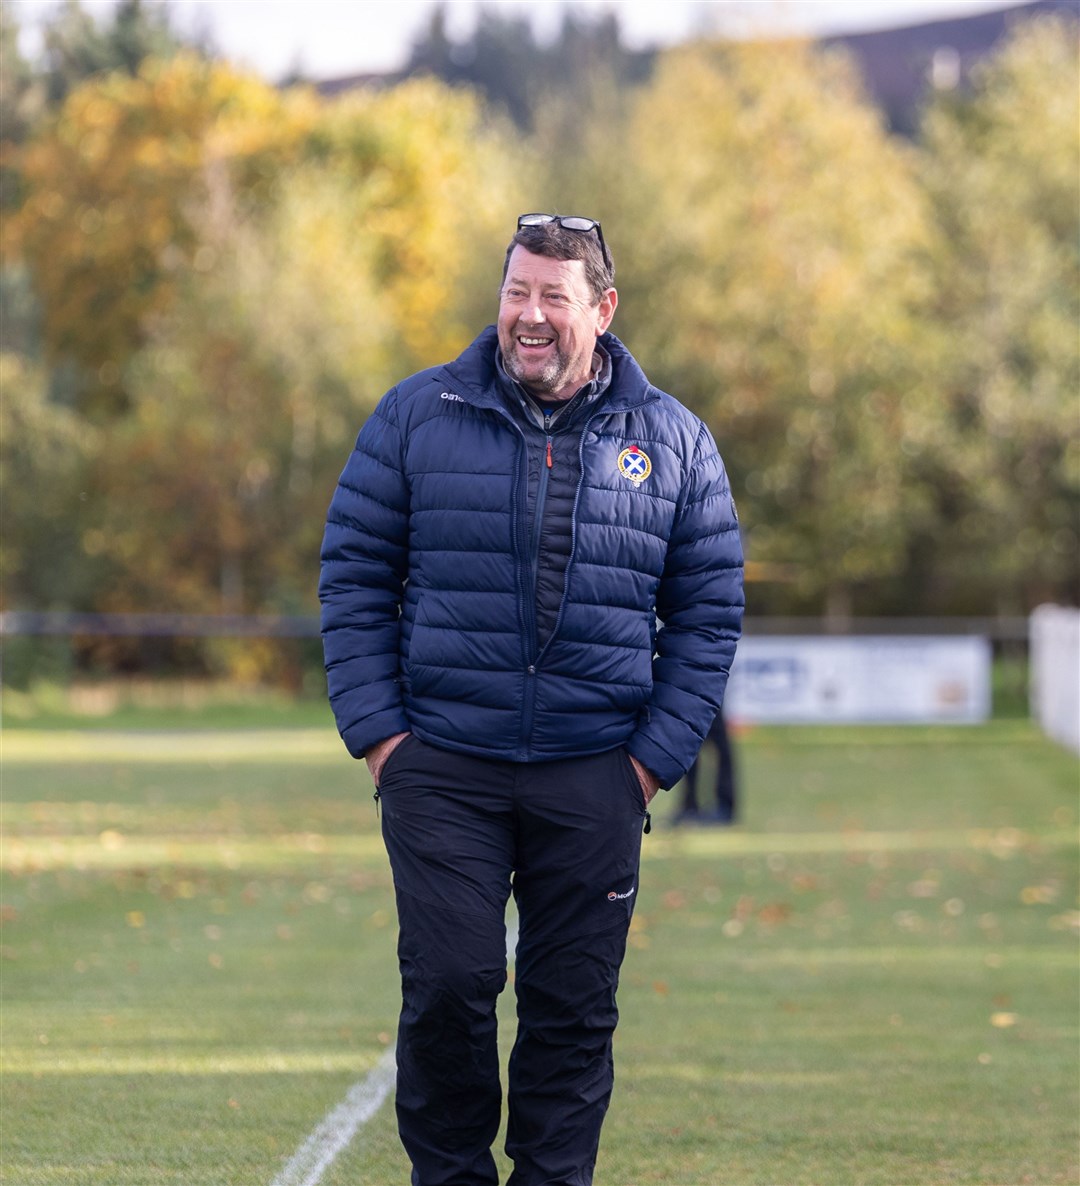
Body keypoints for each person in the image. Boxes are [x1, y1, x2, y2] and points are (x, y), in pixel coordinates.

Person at [319, 212, 744, 1185]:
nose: (530, 315)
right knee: (452, 984)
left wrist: (647, 763)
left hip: (596, 773)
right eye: (517, 292)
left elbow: (710, 609)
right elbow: (351, 574)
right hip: (442, 768)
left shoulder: (674, 441)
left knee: (571, 1007)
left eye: (554, 296)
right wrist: (384, 737)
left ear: (603, 309)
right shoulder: (415, 415)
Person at [675, 707, 738, 825]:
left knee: (717, 740)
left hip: (708, 691)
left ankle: (724, 806)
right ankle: (690, 805)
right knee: (690, 737)